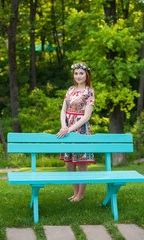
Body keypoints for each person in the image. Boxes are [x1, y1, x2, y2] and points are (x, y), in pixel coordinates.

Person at [56, 62, 95, 202]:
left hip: (80, 129)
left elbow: (86, 116)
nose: (78, 76)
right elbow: (63, 110)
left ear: (86, 75)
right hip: (66, 127)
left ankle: (80, 195)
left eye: (81, 73)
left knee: (81, 161)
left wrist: (69, 129)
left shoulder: (89, 91)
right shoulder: (70, 89)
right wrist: (63, 125)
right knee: (69, 161)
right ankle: (75, 192)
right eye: (76, 73)